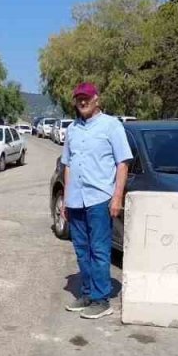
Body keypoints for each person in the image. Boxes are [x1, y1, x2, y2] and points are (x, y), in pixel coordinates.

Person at [60, 82, 132, 319]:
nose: (82, 101)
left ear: (96, 99)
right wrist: (66, 199)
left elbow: (123, 162)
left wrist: (117, 197)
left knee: (100, 250)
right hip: (76, 199)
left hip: (99, 198)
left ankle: (101, 299)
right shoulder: (72, 129)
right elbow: (68, 165)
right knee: (82, 250)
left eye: (87, 98)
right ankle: (88, 293)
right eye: (79, 98)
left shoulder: (112, 126)